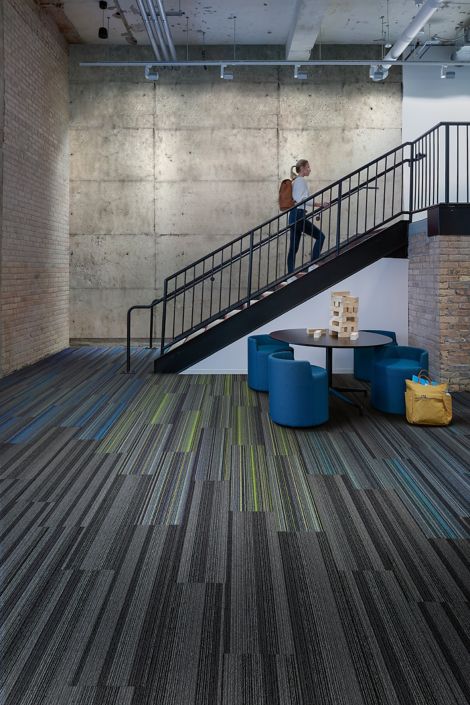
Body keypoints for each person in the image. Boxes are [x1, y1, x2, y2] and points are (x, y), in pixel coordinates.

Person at [287, 159, 327, 274]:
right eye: (308, 167)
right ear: (303, 168)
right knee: (320, 236)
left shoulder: (295, 181)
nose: (310, 169)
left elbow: (299, 199)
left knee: (293, 247)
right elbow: (303, 200)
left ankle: (290, 275)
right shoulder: (300, 181)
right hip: (298, 215)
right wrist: (320, 204)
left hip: (293, 215)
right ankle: (313, 264)